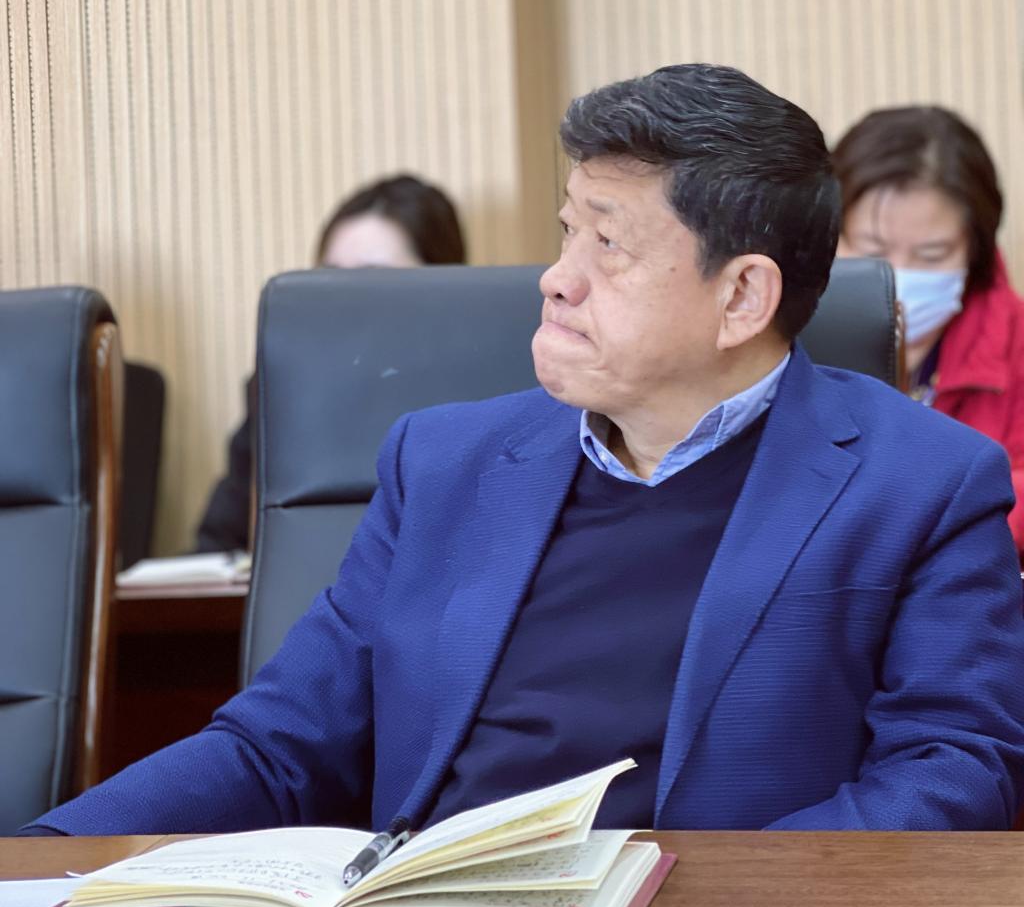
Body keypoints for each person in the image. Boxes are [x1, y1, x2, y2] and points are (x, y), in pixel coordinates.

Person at [24, 65, 1024, 836]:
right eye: (565, 233)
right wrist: (38, 862)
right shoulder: (442, 463)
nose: (556, 279)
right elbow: (276, 745)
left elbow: (955, 767)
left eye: (607, 246)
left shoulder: (921, 484)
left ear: (742, 297)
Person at [194, 175, 466, 553]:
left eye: (373, 280)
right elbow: (219, 541)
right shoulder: (284, 389)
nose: (346, 301)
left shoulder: (474, 398)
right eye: (331, 279)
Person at [833, 106, 1024, 552]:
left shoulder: (1016, 342)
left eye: (933, 255)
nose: (899, 276)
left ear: (975, 250)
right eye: (872, 250)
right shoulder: (774, 339)